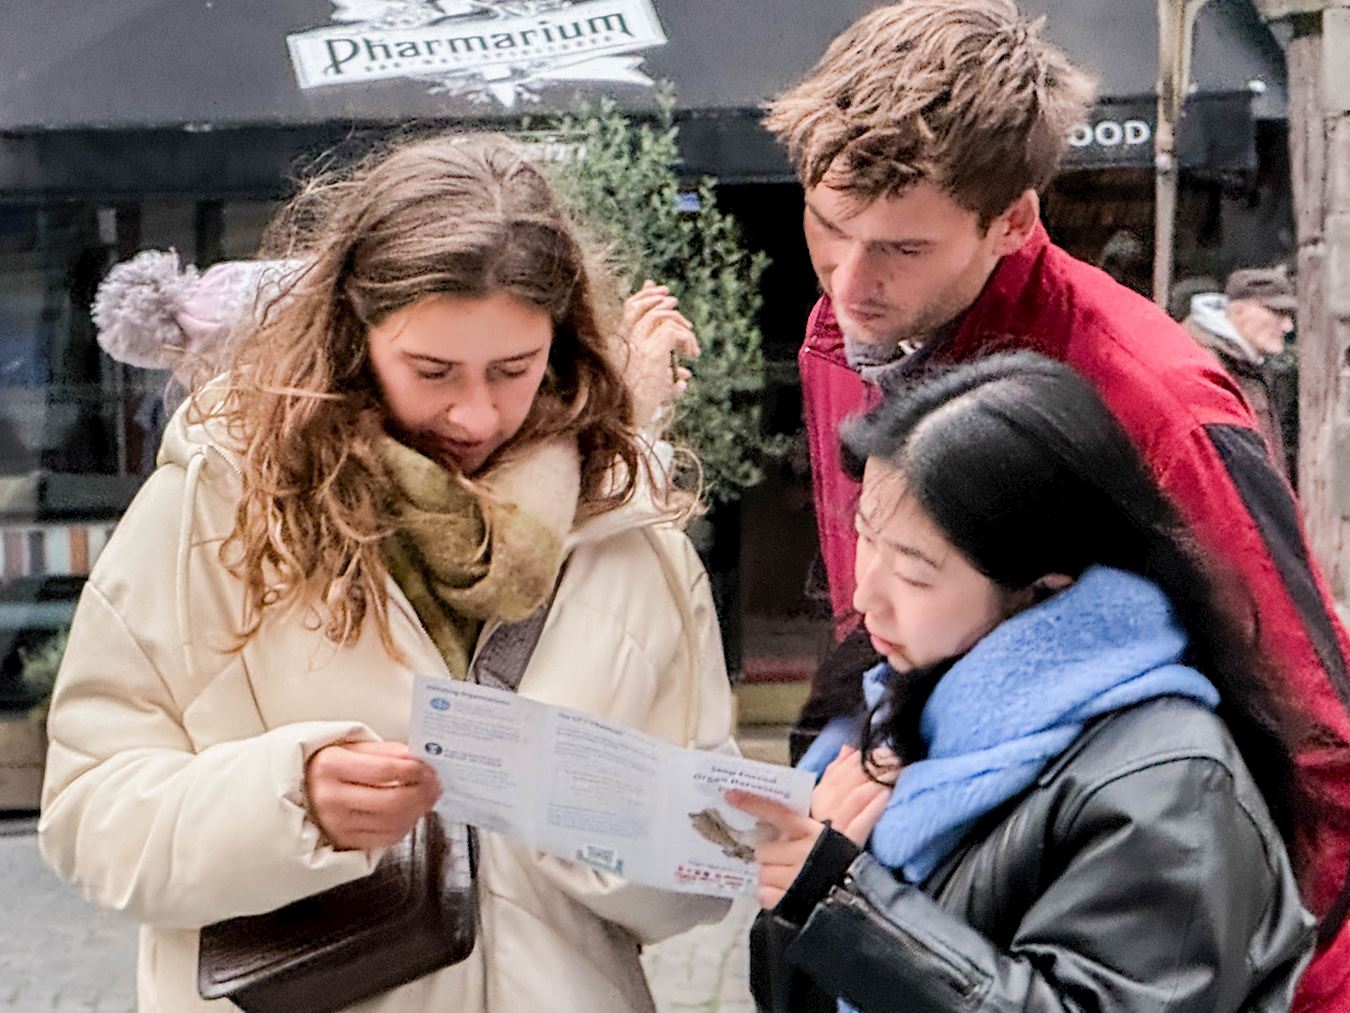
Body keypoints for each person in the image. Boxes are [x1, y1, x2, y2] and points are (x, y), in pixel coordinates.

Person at [37, 133, 732, 1013]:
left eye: (513, 370)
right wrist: (292, 802)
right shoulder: (219, 501)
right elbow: (87, 814)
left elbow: (712, 854)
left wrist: (605, 825)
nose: (475, 413)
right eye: (432, 370)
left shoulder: (634, 529)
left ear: (561, 344)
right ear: (353, 333)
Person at [765, 3, 1350, 1002]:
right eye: (828, 225)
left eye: (902, 247)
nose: (850, 284)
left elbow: (1319, 757)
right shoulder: (854, 328)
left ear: (1013, 220)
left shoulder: (1159, 403)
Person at [732, 352, 1316, 1011]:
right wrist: (803, 899)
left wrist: (843, 902)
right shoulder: (902, 704)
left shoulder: (1170, 785)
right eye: (867, 538)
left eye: (916, 573)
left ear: (1039, 591)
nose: (867, 597)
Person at [1182, 267, 1297, 480]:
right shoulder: (1204, 364)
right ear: (1240, 311)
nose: (1287, 326)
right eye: (1277, 313)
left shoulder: (1248, 363)